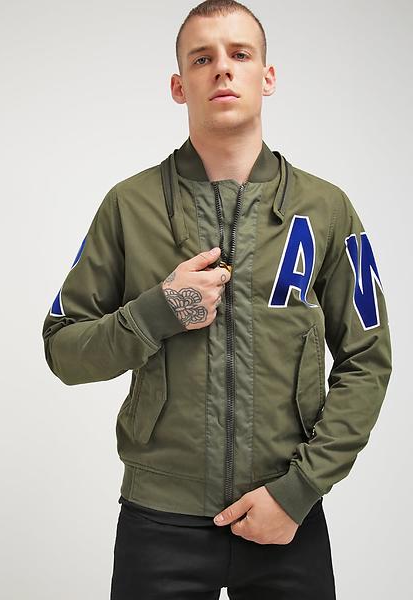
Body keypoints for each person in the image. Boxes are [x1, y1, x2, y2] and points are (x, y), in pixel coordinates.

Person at [41, 1, 392, 598]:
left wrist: (299, 490)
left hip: (286, 514)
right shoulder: (129, 206)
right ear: (179, 86)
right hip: (159, 521)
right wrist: (157, 312)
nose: (223, 69)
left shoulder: (327, 210)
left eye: (240, 54)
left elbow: (368, 360)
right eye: (202, 59)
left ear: (267, 76)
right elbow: (63, 350)